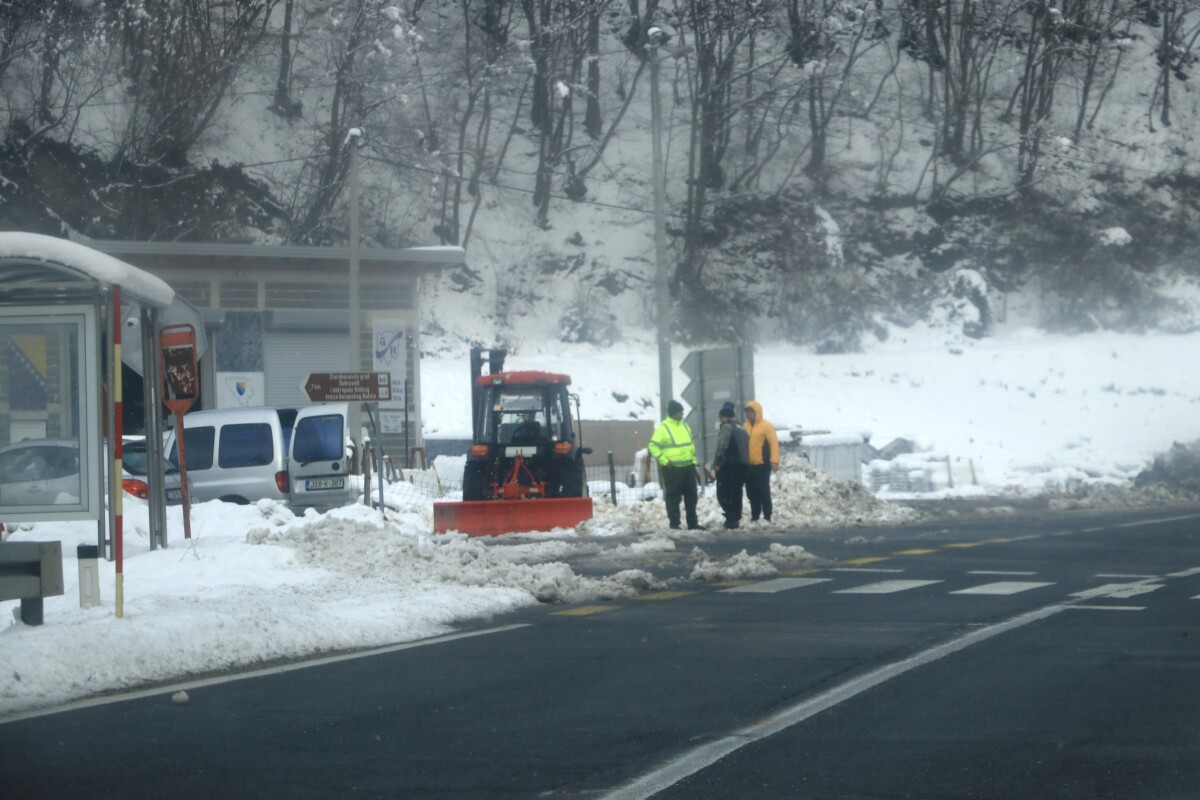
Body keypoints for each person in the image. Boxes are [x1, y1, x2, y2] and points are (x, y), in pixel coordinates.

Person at [647, 400, 702, 530]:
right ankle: (674, 524)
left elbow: (690, 446)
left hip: (688, 468)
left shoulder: (685, 426)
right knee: (673, 498)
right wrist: (664, 461)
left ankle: (692, 523)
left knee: (691, 497)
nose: (682, 413)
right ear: (674, 413)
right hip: (673, 470)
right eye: (680, 411)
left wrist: (693, 462)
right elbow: (652, 446)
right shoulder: (663, 428)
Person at [712, 401, 750, 529]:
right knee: (736, 492)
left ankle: (731, 517)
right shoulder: (741, 427)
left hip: (729, 465)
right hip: (743, 466)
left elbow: (722, 445)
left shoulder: (727, 427)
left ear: (724, 416)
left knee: (724, 493)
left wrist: (717, 462)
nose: (720, 419)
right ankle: (736, 517)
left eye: (721, 417)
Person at [743, 400, 780, 523]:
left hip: (762, 464)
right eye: (747, 412)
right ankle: (755, 515)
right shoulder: (745, 426)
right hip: (749, 466)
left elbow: (774, 443)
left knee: (763, 490)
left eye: (751, 412)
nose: (749, 415)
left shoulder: (766, 426)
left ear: (757, 413)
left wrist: (775, 460)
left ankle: (767, 515)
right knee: (751, 492)